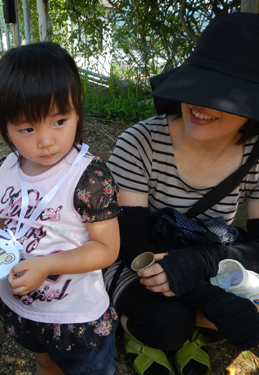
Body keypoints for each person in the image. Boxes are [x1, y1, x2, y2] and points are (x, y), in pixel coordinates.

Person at [105, 12, 259, 375]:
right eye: (198, 88)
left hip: (208, 256)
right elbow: (130, 245)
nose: (200, 105)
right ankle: (137, 333)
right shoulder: (140, 142)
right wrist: (206, 296)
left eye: (222, 98)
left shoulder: (256, 157)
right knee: (168, 326)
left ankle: (193, 327)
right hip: (138, 262)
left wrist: (202, 264)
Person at [0, 42, 121, 375]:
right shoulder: (9, 167)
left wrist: (48, 265)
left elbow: (107, 249)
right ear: (5, 128)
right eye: (28, 129)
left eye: (60, 121)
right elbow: (9, 215)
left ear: (78, 112)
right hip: (21, 305)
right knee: (44, 361)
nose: (46, 140)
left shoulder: (89, 177)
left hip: (75, 316)